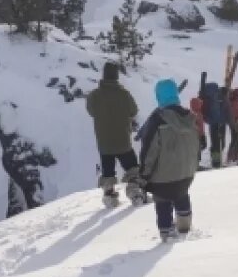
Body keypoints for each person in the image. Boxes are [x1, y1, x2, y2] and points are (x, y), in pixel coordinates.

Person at [138, 78, 199, 240]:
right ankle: (185, 225)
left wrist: (143, 175)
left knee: (163, 199)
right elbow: (197, 146)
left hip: (163, 180)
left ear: (159, 96)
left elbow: (149, 151)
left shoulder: (157, 119)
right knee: (181, 193)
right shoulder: (189, 117)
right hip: (187, 175)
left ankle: (166, 232)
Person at [87, 62, 147, 206]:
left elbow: (91, 111)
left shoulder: (94, 95)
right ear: (116, 76)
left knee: (108, 170)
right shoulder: (124, 94)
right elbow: (134, 111)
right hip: (122, 140)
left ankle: (110, 196)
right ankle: (134, 191)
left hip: (104, 142)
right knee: (132, 167)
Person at [199, 80, 229, 167]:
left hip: (215, 122)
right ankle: (216, 162)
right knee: (218, 143)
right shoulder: (215, 96)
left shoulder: (215, 96)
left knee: (217, 143)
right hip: (217, 122)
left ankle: (216, 160)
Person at [227, 88, 238, 162]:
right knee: (235, 139)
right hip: (235, 123)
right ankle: (232, 156)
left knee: (235, 139)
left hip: (234, 123)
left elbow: (237, 110)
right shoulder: (234, 102)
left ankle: (234, 155)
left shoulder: (234, 100)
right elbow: (236, 112)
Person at [189, 96, 207, 161]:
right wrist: (202, 135)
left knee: (197, 150)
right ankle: (196, 164)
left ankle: (196, 163)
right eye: (199, 103)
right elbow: (199, 127)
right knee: (197, 151)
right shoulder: (197, 114)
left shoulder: (192, 113)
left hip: (196, 136)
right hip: (198, 136)